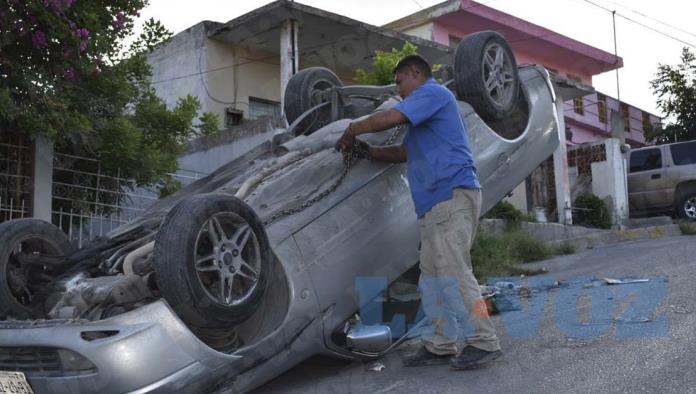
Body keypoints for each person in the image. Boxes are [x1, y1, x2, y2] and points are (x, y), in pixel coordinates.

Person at [335, 55, 502, 369]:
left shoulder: (433, 94)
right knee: (432, 278)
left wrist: (352, 130)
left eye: (399, 81)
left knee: (455, 272)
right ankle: (442, 344)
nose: (398, 90)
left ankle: (484, 340)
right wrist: (369, 152)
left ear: (415, 73)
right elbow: (404, 152)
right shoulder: (425, 113)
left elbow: (390, 119)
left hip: (450, 194)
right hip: (433, 204)